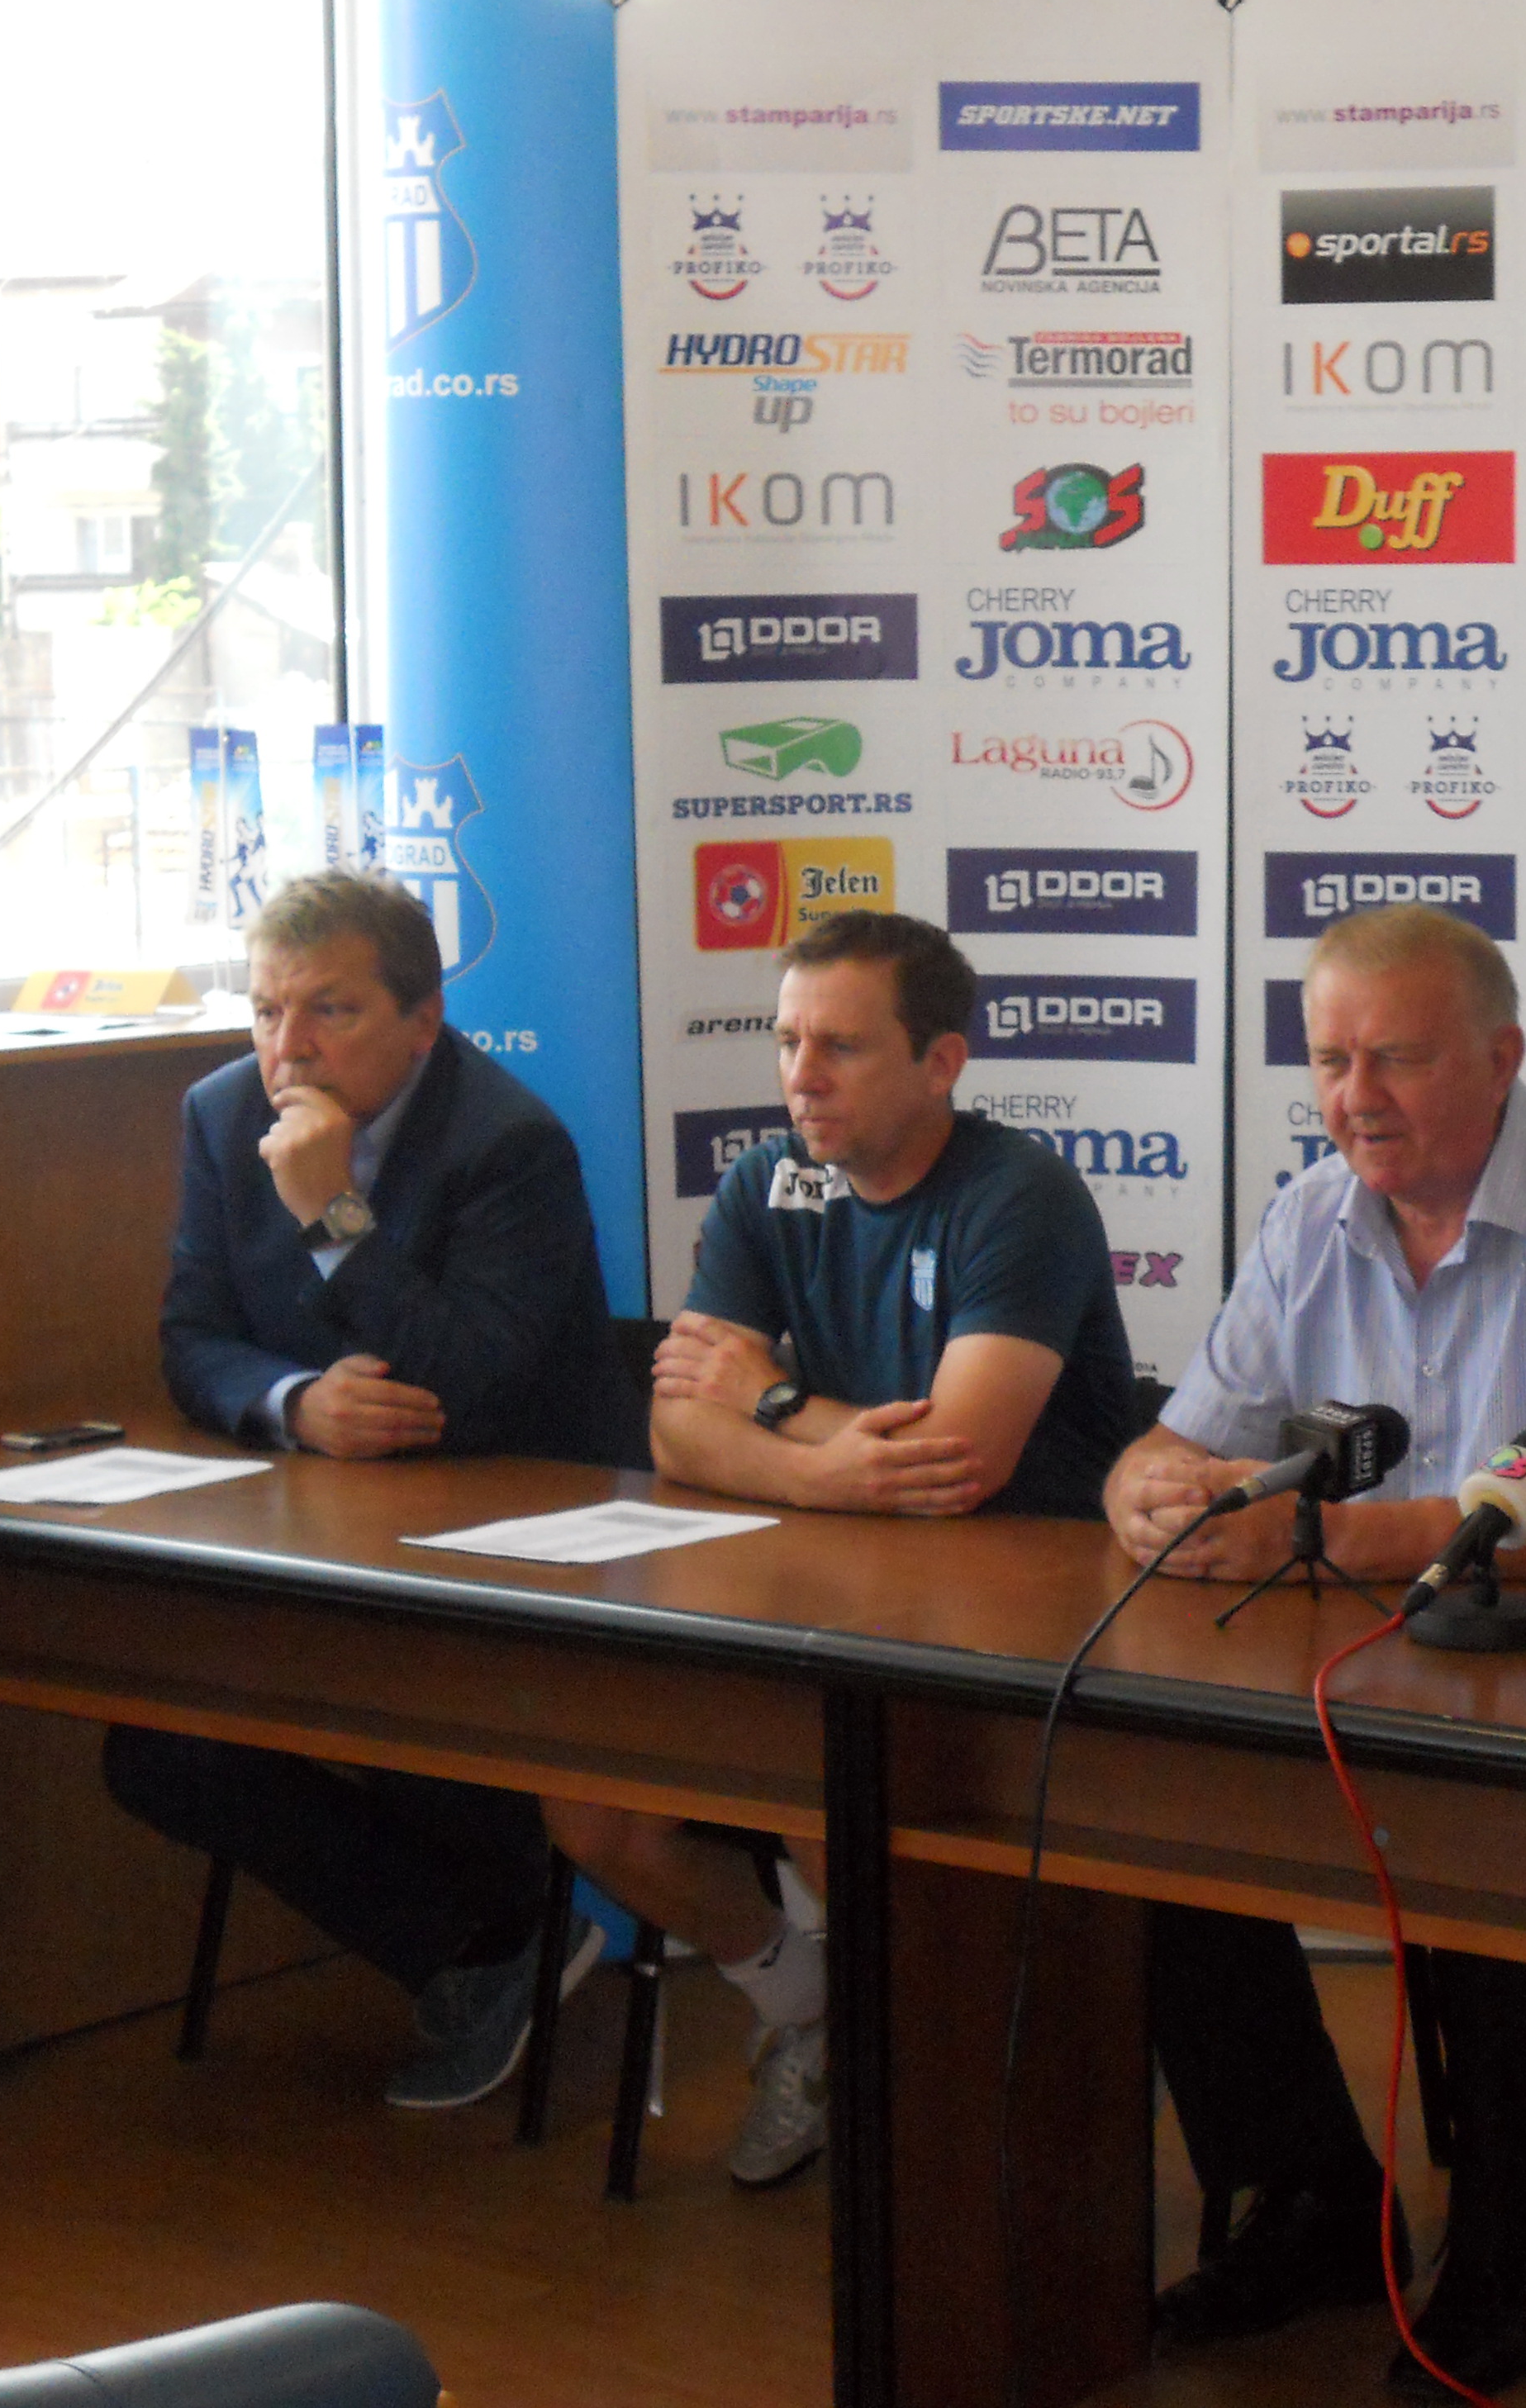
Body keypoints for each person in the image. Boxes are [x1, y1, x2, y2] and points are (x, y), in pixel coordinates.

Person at [1105, 902, 1526, 2401]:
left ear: (1503, 1059)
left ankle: (1507, 2254)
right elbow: (1181, 1440)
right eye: (1331, 1061)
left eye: (1394, 1059)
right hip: (1389, 1666)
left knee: (1497, 1840)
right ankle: (1321, 2199)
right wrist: (1144, 1491)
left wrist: (1318, 1536)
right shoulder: (1309, 1215)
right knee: (1142, 1818)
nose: (1355, 1099)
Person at [544, 909, 1137, 2189]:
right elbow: (676, 1428)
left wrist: (769, 1401)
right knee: (591, 1805)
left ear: (941, 1062)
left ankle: (925, 2094)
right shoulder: (769, 1184)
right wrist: (824, 1463)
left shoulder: (1018, 1193)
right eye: (788, 1042)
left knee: (833, 1795)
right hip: (826, 1590)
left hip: (1021, 1623)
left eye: (841, 1048)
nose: (801, 1077)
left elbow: (959, 1462)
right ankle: (803, 2005)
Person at [106, 868, 645, 2111]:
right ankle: (488, 1945)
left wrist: (330, 1214)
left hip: (519, 1529)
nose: (287, 1048)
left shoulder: (509, 1143)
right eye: (265, 1011)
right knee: (158, 1749)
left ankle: (498, 1942)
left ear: (423, 1018)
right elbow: (192, 1338)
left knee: (408, 1716)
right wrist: (295, 1402)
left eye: (330, 1010)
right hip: (325, 1524)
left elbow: (466, 1374)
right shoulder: (220, 1112)